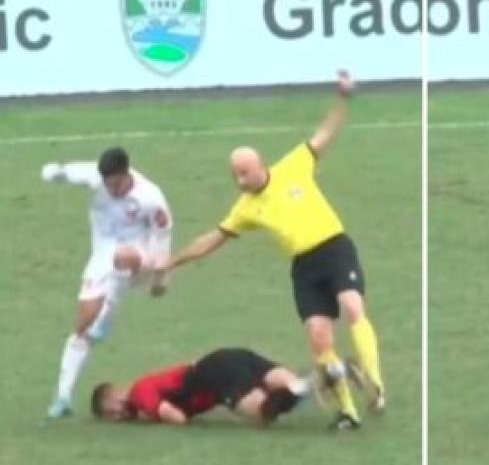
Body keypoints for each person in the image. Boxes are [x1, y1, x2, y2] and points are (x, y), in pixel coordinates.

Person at [157, 71, 384, 432]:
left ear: (260, 165)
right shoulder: (245, 208)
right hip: (304, 268)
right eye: (235, 175)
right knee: (319, 340)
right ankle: (348, 412)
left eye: (244, 173)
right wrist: (173, 261)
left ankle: (374, 384)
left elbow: (325, 133)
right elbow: (212, 239)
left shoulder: (294, 165)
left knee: (353, 307)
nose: (240, 181)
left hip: (334, 247)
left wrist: (343, 97)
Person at [40, 147, 172, 419]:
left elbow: (163, 237)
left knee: (122, 257)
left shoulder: (150, 197)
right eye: (108, 185)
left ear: (126, 174)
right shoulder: (95, 177)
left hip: (140, 256)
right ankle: (63, 396)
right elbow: (70, 172)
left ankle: (108, 309)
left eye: (116, 184)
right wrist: (54, 173)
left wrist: (161, 279)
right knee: (82, 328)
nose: (112, 190)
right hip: (102, 257)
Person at [90, 348, 309, 427]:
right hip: (231, 356)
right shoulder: (145, 387)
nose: (118, 417)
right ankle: (315, 380)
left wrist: (153, 419)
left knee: (260, 414)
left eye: (112, 413)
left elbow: (177, 418)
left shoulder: (139, 394)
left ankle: (295, 391)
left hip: (214, 373)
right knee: (287, 384)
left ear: (113, 398)